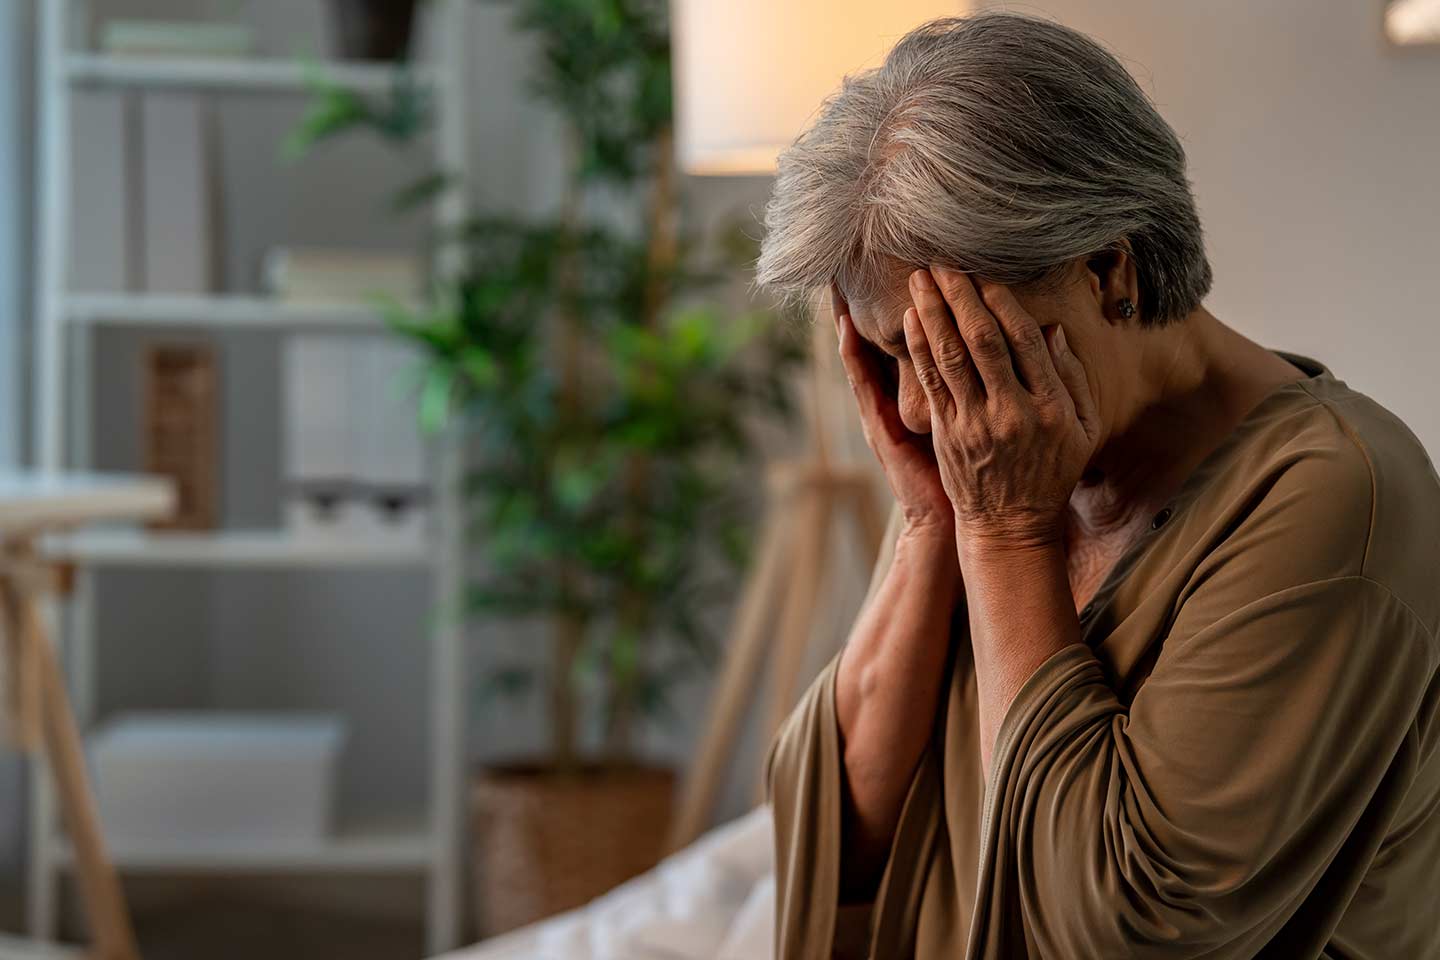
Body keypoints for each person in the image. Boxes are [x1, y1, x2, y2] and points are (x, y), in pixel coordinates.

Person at [754, 12, 1440, 959]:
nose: (916, 406)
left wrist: (1005, 535)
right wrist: (929, 525)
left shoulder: (1338, 496)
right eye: (888, 354)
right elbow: (846, 837)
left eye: (955, 350)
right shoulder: (998, 453)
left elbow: (1118, 930)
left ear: (1110, 270)